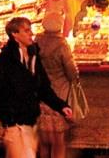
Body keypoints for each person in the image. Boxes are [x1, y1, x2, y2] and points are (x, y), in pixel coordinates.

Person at [0, 17, 72, 158]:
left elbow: (43, 88)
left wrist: (61, 106)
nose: (31, 34)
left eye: (30, 30)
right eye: (26, 31)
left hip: (31, 126)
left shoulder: (33, 58)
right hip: (16, 127)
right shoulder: (4, 63)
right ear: (15, 34)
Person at [34, 11, 80, 158]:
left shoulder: (36, 42)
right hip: (58, 96)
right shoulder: (61, 45)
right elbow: (71, 71)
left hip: (40, 96)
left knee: (44, 141)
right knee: (58, 141)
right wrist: (76, 79)